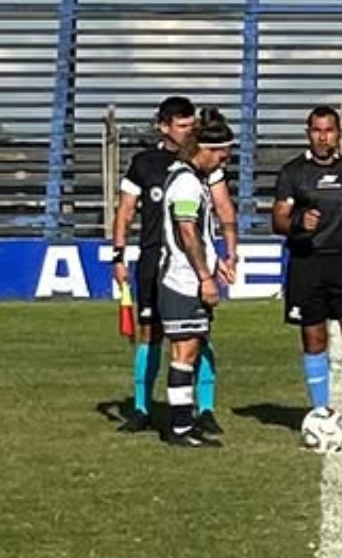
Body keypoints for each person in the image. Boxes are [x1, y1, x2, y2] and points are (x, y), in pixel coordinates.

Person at [111, 96, 239, 434]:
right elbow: (125, 210)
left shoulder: (204, 166)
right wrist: (118, 254)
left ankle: (204, 409)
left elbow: (224, 210)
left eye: (191, 125)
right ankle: (143, 408)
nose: (189, 130)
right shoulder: (147, 164)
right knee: (151, 333)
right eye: (182, 125)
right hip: (158, 258)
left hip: (188, 259)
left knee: (197, 334)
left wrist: (228, 252)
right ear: (163, 126)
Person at [272, 105, 342, 446]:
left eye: (329, 130)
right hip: (307, 263)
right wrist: (296, 223)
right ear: (308, 133)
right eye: (316, 130)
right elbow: (278, 220)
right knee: (314, 340)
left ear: (339, 133)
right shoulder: (293, 172)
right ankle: (321, 412)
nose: (323, 137)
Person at [158, 107, 236, 448]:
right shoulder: (187, 183)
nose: (224, 161)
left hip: (187, 276)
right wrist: (205, 276)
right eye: (220, 154)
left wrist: (216, 261)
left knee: (188, 349)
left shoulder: (190, 178)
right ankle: (180, 429)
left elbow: (198, 234)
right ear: (203, 149)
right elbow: (186, 233)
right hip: (183, 280)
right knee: (184, 352)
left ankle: (184, 423)